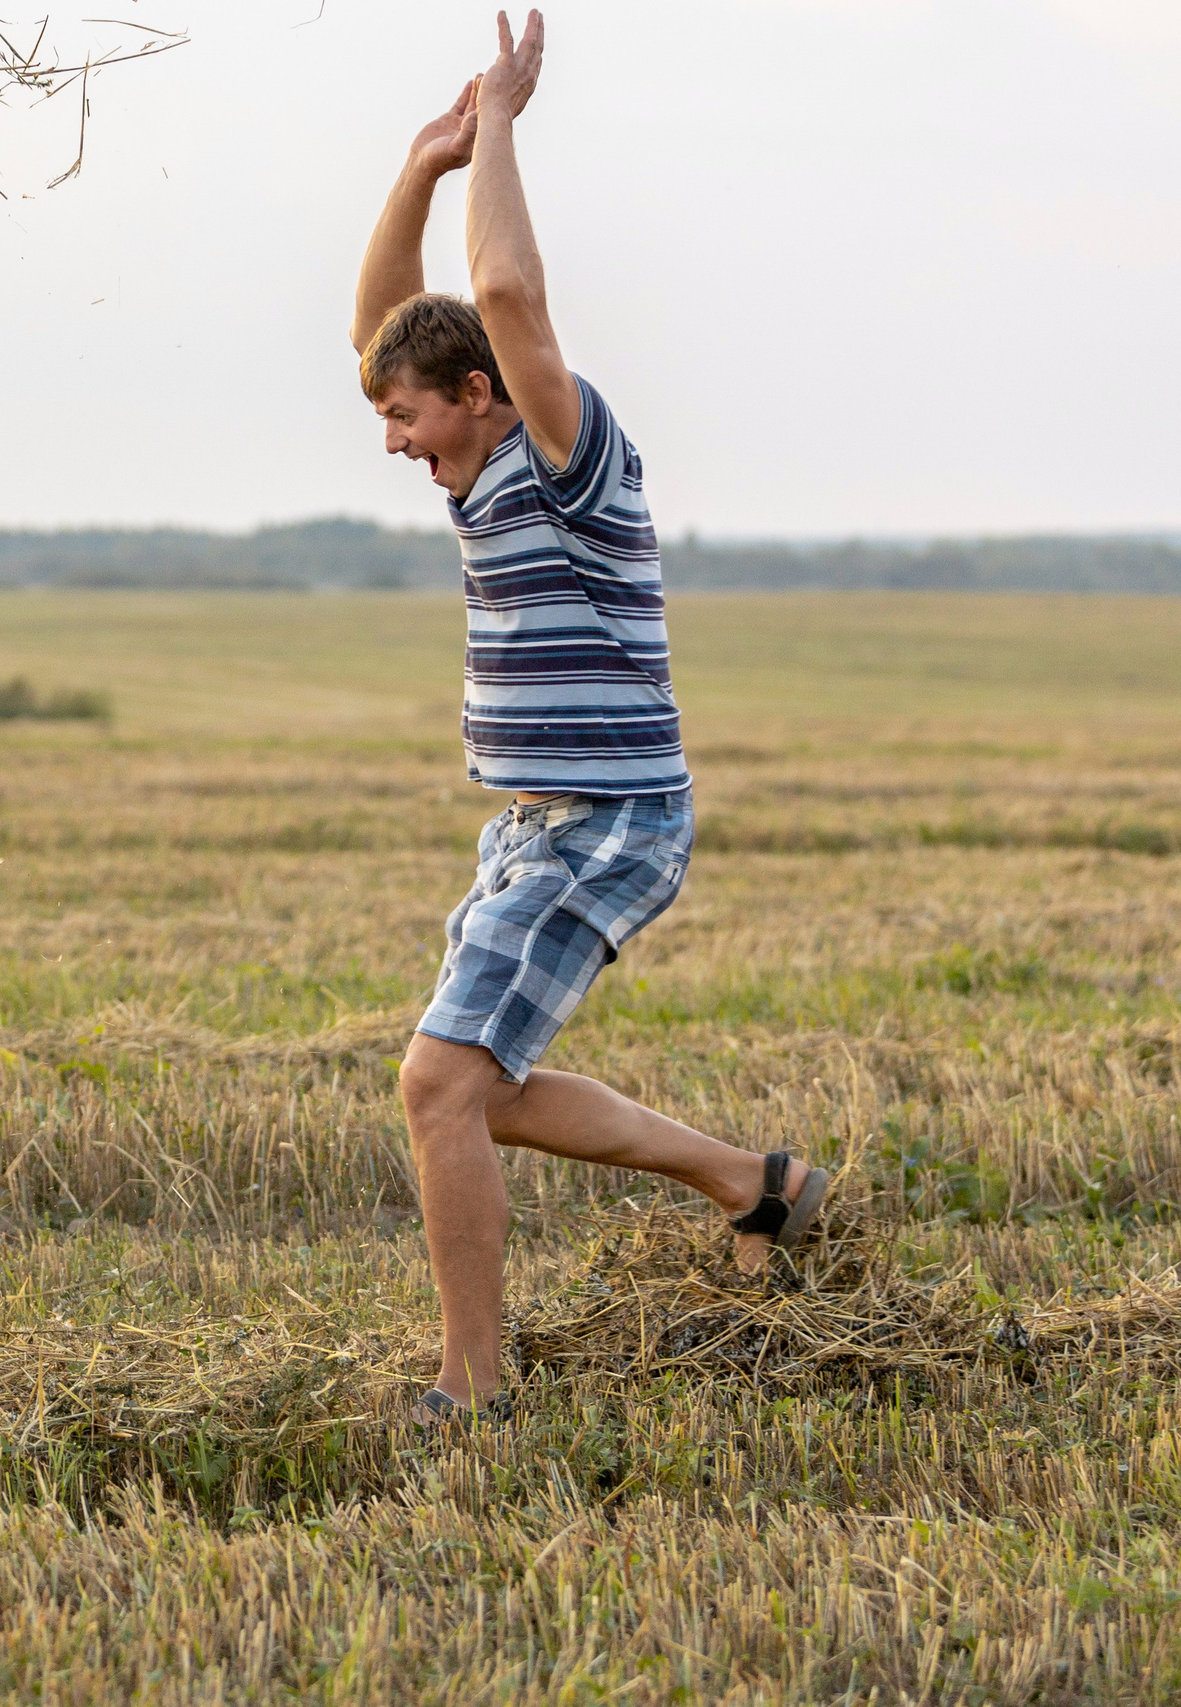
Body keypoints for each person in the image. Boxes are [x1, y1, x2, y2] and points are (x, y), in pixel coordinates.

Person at [348, 11, 829, 1428]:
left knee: (436, 1081)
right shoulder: (464, 464)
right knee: (480, 1090)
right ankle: (759, 1183)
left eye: (410, 417)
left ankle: (473, 1387)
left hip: (612, 821)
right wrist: (419, 165)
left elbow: (507, 290)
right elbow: (386, 322)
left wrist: (498, 116)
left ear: (483, 396)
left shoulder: (564, 452)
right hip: (530, 824)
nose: (393, 442)